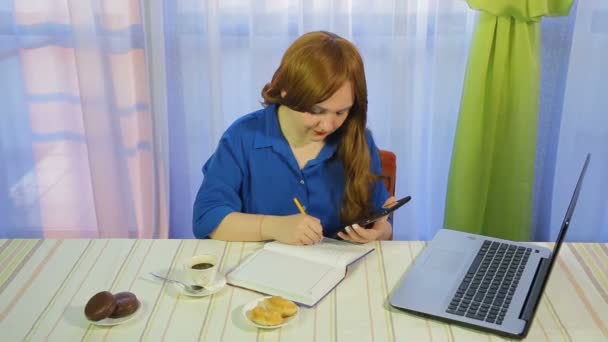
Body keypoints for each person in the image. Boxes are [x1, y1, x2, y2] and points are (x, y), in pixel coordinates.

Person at [193, 31, 394, 245]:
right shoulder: (243, 137)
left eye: (341, 112)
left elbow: (380, 223)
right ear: (286, 91)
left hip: (340, 271)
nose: (328, 125)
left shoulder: (358, 139)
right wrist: (272, 226)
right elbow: (207, 218)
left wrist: (380, 232)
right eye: (316, 111)